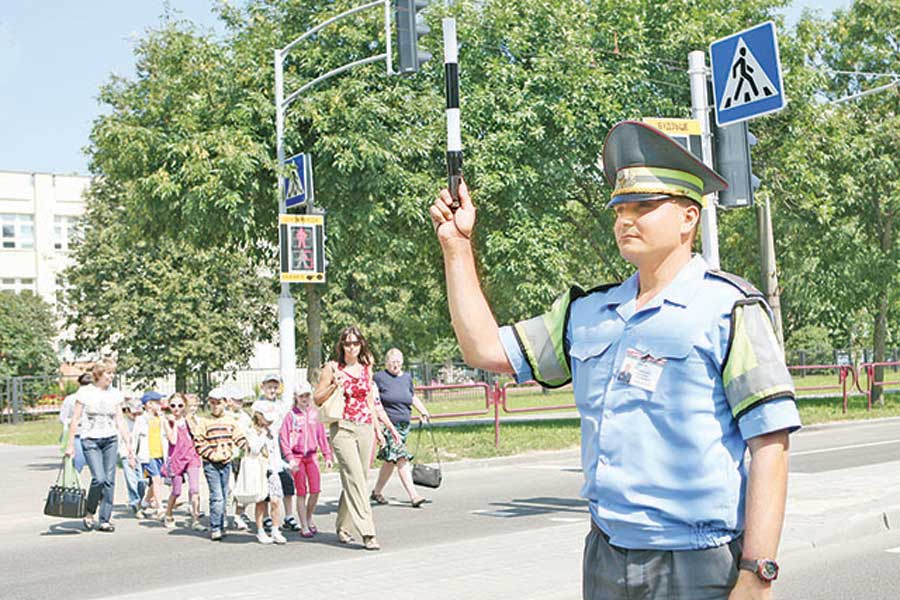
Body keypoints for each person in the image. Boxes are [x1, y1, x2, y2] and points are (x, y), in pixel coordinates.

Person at [428, 121, 801, 599]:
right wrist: (456, 248)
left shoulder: (730, 309)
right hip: (608, 555)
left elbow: (770, 444)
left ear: (689, 217)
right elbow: (484, 349)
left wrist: (757, 571)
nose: (626, 219)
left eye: (644, 207)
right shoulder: (590, 313)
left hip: (698, 562)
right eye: (620, 208)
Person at [313, 325, 400, 551]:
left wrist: (378, 428)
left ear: (361, 344)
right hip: (342, 427)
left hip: (364, 427)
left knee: (358, 478)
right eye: (347, 343)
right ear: (341, 345)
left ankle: (343, 525)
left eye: (355, 342)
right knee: (355, 479)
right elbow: (317, 398)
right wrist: (334, 385)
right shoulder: (332, 368)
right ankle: (368, 532)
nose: (351, 347)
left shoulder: (365, 368)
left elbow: (370, 400)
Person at [64, 360, 136, 532]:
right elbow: (75, 419)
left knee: (110, 480)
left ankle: (105, 519)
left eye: (112, 373)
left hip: (110, 439)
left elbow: (120, 419)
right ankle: (89, 511)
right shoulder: (85, 392)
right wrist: (70, 445)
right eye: (108, 373)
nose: (111, 377)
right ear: (98, 375)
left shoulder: (115, 394)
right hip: (90, 439)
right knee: (99, 478)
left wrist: (128, 444)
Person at [371, 348, 431, 508]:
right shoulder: (379, 378)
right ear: (386, 363)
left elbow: (411, 396)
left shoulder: (406, 378)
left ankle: (376, 492)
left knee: (390, 461)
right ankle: (414, 495)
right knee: (401, 457)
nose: (395, 365)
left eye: (398, 362)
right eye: (392, 362)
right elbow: (373, 401)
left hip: (404, 425)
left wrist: (424, 411)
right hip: (388, 425)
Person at [193, 386, 248, 541]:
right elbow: (199, 442)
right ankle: (215, 526)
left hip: (226, 462)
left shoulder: (230, 421)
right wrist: (212, 454)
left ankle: (221, 523)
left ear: (225, 403)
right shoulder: (204, 422)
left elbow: (238, 437)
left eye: (219, 402)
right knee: (216, 496)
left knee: (224, 495)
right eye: (213, 402)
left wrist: (248, 447)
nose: (215, 406)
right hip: (211, 463)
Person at [280, 380, 333, 538]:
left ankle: (309, 517)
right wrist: (290, 458)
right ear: (296, 397)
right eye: (301, 396)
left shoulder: (315, 414)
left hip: (312, 456)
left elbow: (321, 436)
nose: (305, 399)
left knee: (315, 490)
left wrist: (327, 455)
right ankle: (303, 524)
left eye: (307, 396)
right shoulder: (291, 416)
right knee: (301, 492)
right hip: (297, 458)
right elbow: (283, 438)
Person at [256, 374, 301, 534]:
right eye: (270, 387)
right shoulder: (258, 405)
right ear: (263, 387)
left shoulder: (282, 405)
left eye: (275, 387)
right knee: (268, 482)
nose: (272, 390)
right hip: (267, 446)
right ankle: (267, 516)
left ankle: (289, 515)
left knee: (287, 480)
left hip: (281, 444)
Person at [161, 393, 205, 532]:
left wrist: (189, 419)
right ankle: (168, 513)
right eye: (173, 405)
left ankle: (195, 519)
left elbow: (197, 434)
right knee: (176, 491)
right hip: (176, 459)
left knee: (194, 489)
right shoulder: (166, 421)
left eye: (180, 405)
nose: (176, 409)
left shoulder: (190, 419)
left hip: (191, 456)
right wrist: (173, 423)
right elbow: (173, 440)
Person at [246, 401, 288, 545]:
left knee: (276, 501)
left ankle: (276, 530)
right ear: (258, 416)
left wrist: (283, 465)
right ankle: (260, 530)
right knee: (261, 502)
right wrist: (263, 434)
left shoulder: (273, 431)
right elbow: (254, 450)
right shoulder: (252, 431)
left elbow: (275, 452)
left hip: (272, 470)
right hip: (260, 471)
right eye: (266, 417)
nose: (270, 420)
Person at [225, 384, 253, 531]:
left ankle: (239, 514)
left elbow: (249, 432)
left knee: (242, 487)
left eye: (240, 400)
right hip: (226, 456)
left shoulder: (245, 416)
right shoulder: (224, 416)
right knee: (229, 487)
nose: (238, 403)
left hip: (241, 456)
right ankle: (223, 515)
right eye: (236, 400)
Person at [137, 391, 167, 519]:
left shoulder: (161, 418)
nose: (160, 404)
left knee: (159, 480)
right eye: (157, 402)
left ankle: (144, 503)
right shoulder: (142, 419)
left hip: (160, 453)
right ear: (149, 404)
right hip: (148, 454)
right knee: (156, 479)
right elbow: (135, 438)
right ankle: (160, 508)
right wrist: (132, 454)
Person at [59, 372, 92, 474]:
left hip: (92, 434)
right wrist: (76, 420)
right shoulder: (71, 399)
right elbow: (63, 418)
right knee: (79, 460)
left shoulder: (94, 398)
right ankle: (73, 482)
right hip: (77, 434)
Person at [119, 398, 146, 516]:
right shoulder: (123, 422)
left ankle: (139, 500)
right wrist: (129, 456)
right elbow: (123, 442)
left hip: (140, 454)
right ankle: (135, 503)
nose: (135, 415)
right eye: (133, 413)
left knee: (141, 481)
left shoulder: (141, 421)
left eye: (138, 413)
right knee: (131, 480)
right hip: (126, 454)